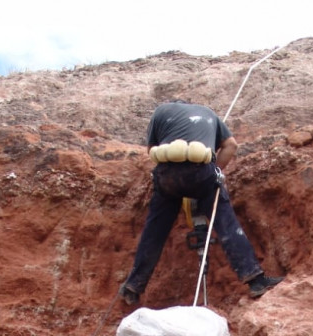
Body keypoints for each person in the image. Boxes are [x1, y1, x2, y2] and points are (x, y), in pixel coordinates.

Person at [120, 101, 283, 304]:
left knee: (155, 231)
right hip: (201, 172)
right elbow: (231, 145)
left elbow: (153, 150)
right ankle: (255, 280)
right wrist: (215, 171)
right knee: (226, 223)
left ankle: (133, 287)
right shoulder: (209, 113)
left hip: (168, 175)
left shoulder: (160, 111)